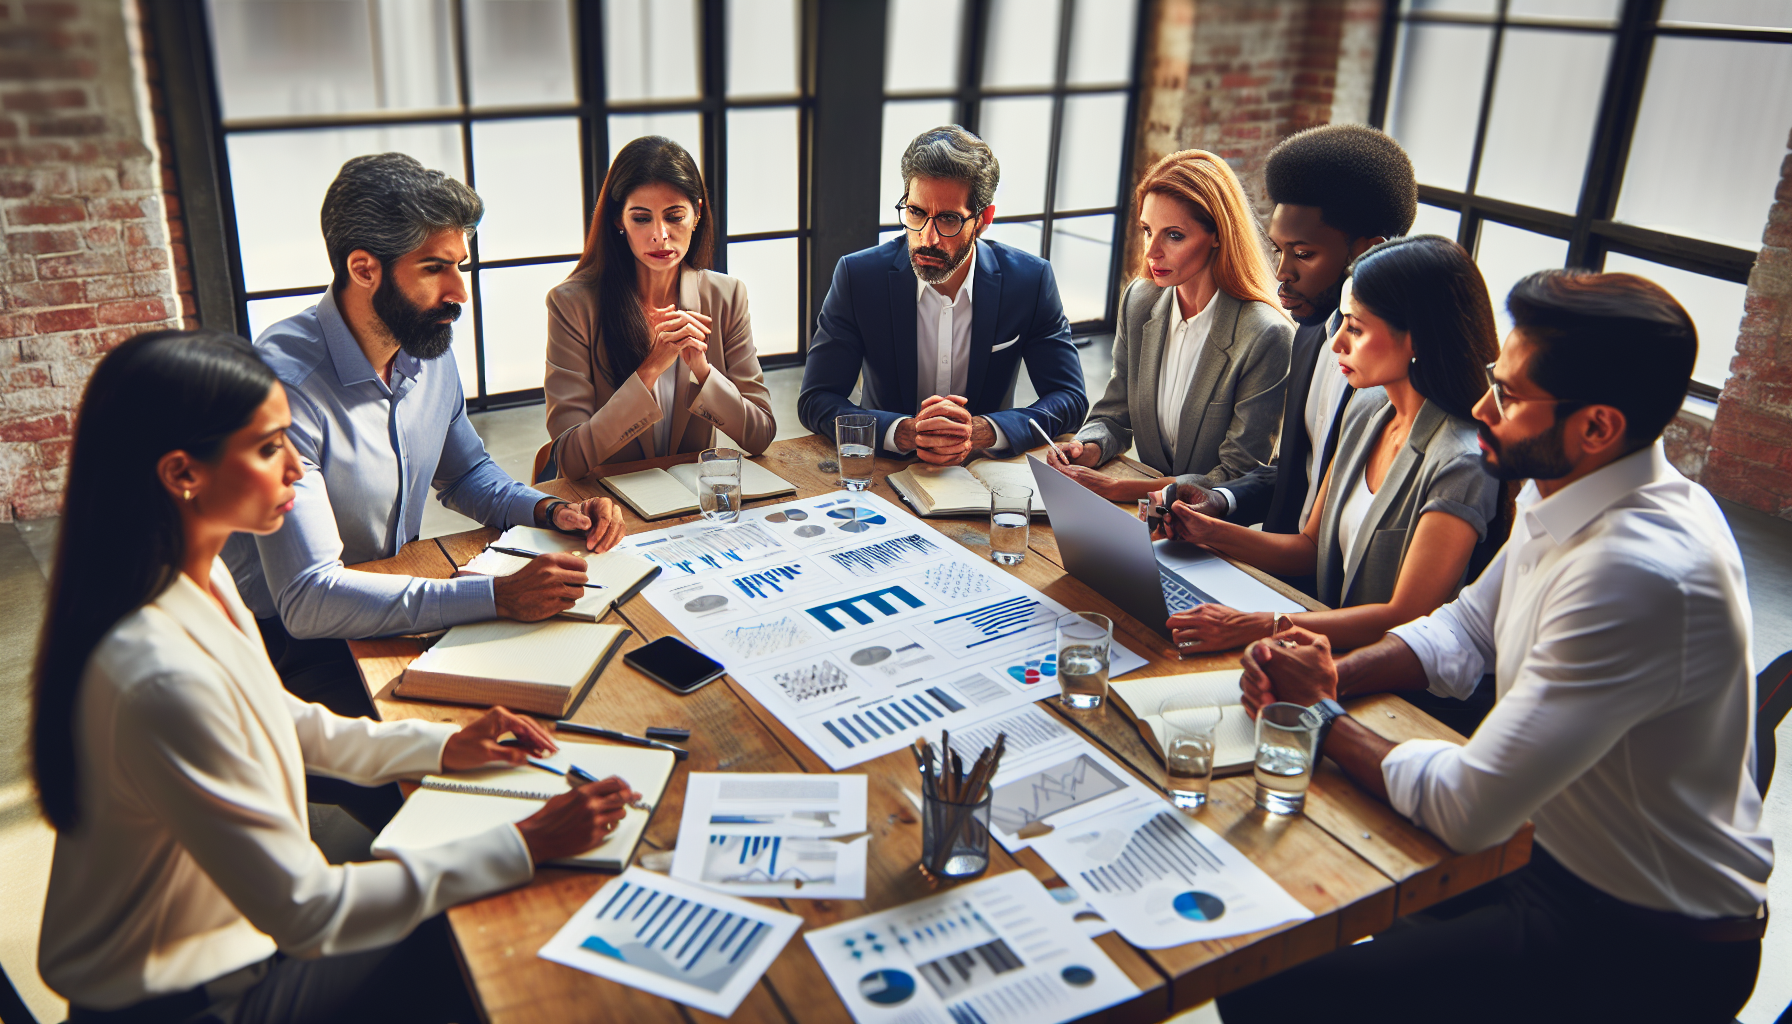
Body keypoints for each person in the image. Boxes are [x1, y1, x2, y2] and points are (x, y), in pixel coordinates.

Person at [35, 330, 640, 1022]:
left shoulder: (188, 580)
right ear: (183, 475)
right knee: (489, 939)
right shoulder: (157, 675)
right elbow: (312, 912)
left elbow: (285, 722)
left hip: (236, 942)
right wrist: (526, 843)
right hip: (191, 999)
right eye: (268, 448)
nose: (297, 468)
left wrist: (440, 745)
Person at [1216, 271, 1772, 1024]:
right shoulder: (1575, 481)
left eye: (1507, 398)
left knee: (1268, 987)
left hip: (1641, 938)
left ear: (1597, 426)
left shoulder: (1634, 576)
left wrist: (1316, 716)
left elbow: (1468, 807)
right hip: (1543, 848)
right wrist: (1332, 676)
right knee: (1272, 922)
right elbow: (1466, 627)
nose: (1481, 409)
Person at [223, 153, 626, 715]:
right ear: (364, 268)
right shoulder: (285, 388)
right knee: (470, 751)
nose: (460, 292)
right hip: (290, 647)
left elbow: (464, 473)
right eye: (435, 268)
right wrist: (495, 596)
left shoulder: (425, 346)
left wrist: (549, 512)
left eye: (460, 265)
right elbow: (308, 599)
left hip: (391, 591)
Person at [1158, 236, 1502, 658]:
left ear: (1416, 339)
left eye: (1355, 328)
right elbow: (1309, 549)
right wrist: (1208, 531)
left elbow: (1406, 618)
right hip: (1312, 648)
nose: (1337, 341)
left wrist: (1263, 626)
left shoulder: (1462, 462)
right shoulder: (1369, 412)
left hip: (1385, 684)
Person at [798, 125, 1087, 463]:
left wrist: (986, 430)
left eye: (948, 219)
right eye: (916, 212)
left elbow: (1069, 397)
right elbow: (816, 398)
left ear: (983, 220)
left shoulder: (1030, 281)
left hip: (985, 475)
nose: (928, 238)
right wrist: (901, 431)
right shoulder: (859, 277)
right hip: (883, 472)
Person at [1205, 124, 1418, 550]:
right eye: (1278, 249)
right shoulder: (1306, 335)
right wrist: (1222, 500)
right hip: (1280, 577)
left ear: (1366, 251)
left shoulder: (1399, 382)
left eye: (1303, 254)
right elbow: (1299, 471)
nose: (1282, 272)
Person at [1048, 149, 1293, 503]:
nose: (1151, 252)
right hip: (1145, 519)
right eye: (1148, 230)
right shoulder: (1140, 301)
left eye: (1174, 235)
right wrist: (1088, 446)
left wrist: (1124, 490)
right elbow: (1116, 414)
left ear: (1218, 235)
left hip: (1209, 530)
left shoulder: (1265, 335)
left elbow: (1236, 473)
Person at [544, 136, 775, 480]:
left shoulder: (727, 296)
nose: (660, 235)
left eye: (674, 216)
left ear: (696, 215)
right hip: (610, 508)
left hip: (694, 509)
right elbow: (570, 459)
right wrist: (650, 370)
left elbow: (760, 436)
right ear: (619, 221)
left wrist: (704, 370)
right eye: (641, 218)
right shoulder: (572, 304)